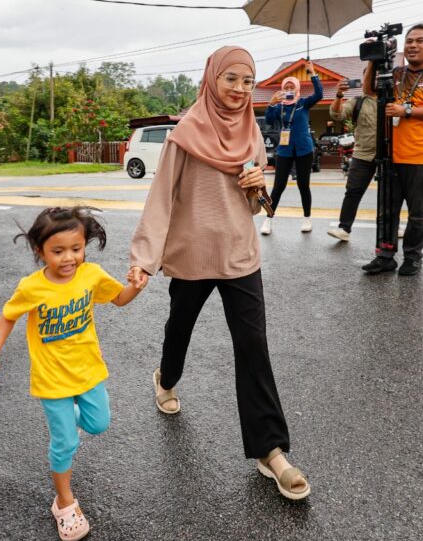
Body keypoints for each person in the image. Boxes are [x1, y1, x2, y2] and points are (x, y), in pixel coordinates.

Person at [128, 45, 311, 501]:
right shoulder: (185, 133)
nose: (239, 89)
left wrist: (258, 188)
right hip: (191, 255)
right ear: (212, 78)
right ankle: (165, 379)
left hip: (239, 255)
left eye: (247, 81)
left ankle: (271, 451)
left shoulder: (252, 134)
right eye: (231, 79)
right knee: (180, 330)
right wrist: (144, 258)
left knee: (253, 346)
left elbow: (255, 207)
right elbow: (162, 198)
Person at [0, 206, 146, 541]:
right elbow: (8, 317)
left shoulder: (91, 275)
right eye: (57, 251)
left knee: (99, 424)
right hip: (52, 379)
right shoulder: (31, 287)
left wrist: (137, 285)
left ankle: (71, 420)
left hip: (88, 370)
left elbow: (119, 299)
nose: (69, 258)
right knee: (65, 442)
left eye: (76, 249)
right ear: (40, 251)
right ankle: (64, 503)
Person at [362, 23, 423, 275]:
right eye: (409, 41)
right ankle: (385, 255)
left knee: (417, 213)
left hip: (421, 155)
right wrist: (374, 58)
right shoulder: (395, 73)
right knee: (387, 211)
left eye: (419, 41)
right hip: (390, 155)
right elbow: (369, 90)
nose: (413, 45)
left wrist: (406, 110)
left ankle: (413, 257)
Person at [261, 62, 323, 235]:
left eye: (291, 86)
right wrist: (271, 104)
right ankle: (268, 219)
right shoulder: (279, 107)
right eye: (286, 86)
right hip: (284, 151)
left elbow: (319, 94)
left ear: (297, 88)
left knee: (304, 185)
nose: (288, 88)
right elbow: (268, 121)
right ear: (282, 88)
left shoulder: (304, 103)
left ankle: (306, 219)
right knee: (278, 186)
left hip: (304, 149)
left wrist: (313, 74)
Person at [327, 64, 377, 242]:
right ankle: (344, 228)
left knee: (391, 193)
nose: (374, 79)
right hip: (362, 154)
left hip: (389, 155)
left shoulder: (391, 99)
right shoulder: (358, 101)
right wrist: (339, 95)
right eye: (370, 76)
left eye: (377, 75)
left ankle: (393, 227)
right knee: (353, 191)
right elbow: (337, 115)